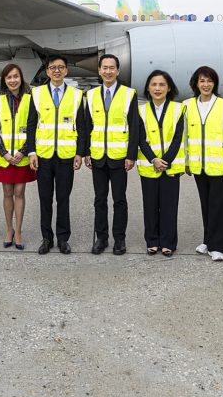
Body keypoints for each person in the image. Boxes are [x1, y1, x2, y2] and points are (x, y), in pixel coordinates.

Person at [25, 54, 89, 255]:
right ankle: (46, 238)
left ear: (66, 71)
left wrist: (80, 153)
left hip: (66, 156)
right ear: (47, 71)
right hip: (43, 156)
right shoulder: (36, 94)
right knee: (45, 199)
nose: (57, 71)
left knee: (63, 199)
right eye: (53, 67)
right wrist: (32, 152)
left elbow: (82, 127)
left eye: (61, 67)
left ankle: (63, 238)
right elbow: (31, 125)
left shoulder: (77, 95)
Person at [84, 53, 140, 255]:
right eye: (104, 68)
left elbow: (135, 127)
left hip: (119, 156)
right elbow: (86, 126)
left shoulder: (128, 94)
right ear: (99, 71)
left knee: (119, 200)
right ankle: (101, 238)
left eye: (111, 68)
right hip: (98, 156)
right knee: (100, 200)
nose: (108, 71)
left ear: (118, 71)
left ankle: (119, 239)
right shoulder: (90, 95)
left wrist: (131, 155)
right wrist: (86, 152)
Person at [183, 65, 223, 262]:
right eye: (202, 81)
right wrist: (186, 162)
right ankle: (207, 240)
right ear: (196, 83)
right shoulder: (187, 105)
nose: (206, 84)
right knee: (205, 204)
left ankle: (218, 246)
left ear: (215, 83)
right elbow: (185, 137)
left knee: (218, 206)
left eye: (210, 81)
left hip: (218, 164)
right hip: (197, 164)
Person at [136, 69, 184, 257]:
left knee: (169, 206)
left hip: (170, 166)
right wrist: (153, 159)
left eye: (162, 84)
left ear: (169, 87)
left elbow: (178, 138)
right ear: (148, 88)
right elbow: (140, 138)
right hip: (149, 165)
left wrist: (165, 160)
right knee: (150, 205)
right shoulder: (140, 110)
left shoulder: (178, 109)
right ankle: (152, 241)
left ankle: (168, 242)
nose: (158, 88)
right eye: (154, 84)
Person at [0, 63, 34, 250]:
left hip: (22, 156)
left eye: (16, 76)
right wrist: (5, 154)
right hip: (5, 157)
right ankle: (9, 229)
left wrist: (23, 151)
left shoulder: (31, 100)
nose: (13, 80)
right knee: (7, 193)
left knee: (19, 193)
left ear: (21, 78)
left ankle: (19, 230)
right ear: (4, 81)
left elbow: (33, 129)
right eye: (9, 77)